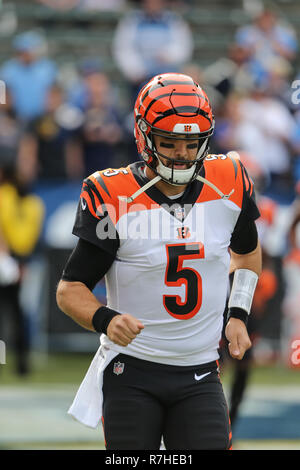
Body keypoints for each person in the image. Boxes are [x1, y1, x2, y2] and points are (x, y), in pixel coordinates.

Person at [56, 73, 262, 450]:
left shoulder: (229, 180)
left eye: (191, 143)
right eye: (169, 142)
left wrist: (238, 314)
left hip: (200, 371)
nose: (182, 154)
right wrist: (106, 319)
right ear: (143, 136)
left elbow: (247, 253)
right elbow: (70, 289)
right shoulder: (113, 196)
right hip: (131, 370)